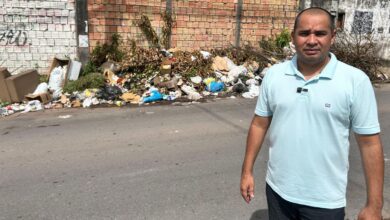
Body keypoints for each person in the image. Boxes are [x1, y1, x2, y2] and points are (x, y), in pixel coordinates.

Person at [240, 7, 384, 220]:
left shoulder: (355, 81)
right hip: (278, 192)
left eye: (320, 33)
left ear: (332, 37)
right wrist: (247, 171)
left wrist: (374, 206)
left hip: (325, 201)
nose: (312, 40)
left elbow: (370, 144)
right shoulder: (274, 76)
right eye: (304, 33)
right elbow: (259, 124)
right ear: (293, 37)